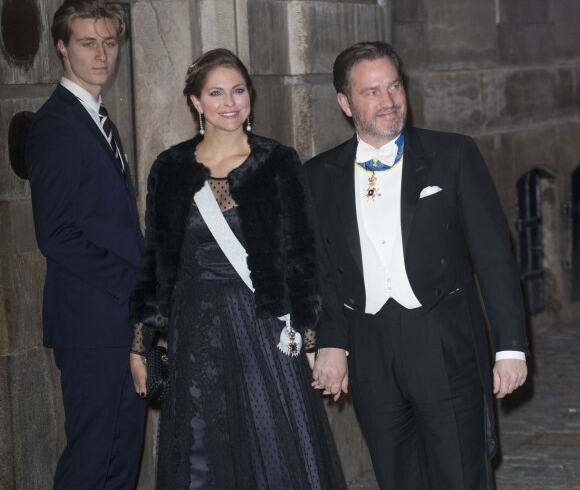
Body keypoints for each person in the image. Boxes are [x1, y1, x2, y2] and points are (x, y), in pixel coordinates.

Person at [304, 41, 529, 490]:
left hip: (443, 338)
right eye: (371, 92)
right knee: (396, 476)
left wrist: (510, 347)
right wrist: (331, 341)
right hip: (369, 348)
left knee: (460, 475)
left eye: (394, 86)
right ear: (345, 103)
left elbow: (494, 256)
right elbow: (322, 269)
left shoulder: (453, 155)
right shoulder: (318, 174)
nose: (388, 101)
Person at [128, 48, 347, 489]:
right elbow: (154, 264)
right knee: (204, 451)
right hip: (195, 330)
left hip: (263, 328)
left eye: (238, 90)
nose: (230, 101)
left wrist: (310, 343)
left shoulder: (277, 161)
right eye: (216, 92)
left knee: (273, 447)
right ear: (196, 102)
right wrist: (139, 345)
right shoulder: (170, 167)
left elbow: (303, 259)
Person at [25, 0, 146, 489]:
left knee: (122, 459)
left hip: (118, 319)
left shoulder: (97, 119)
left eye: (110, 43)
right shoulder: (55, 125)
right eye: (87, 43)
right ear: (61, 47)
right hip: (90, 323)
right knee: (92, 457)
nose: (101, 56)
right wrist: (136, 281)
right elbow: (56, 236)